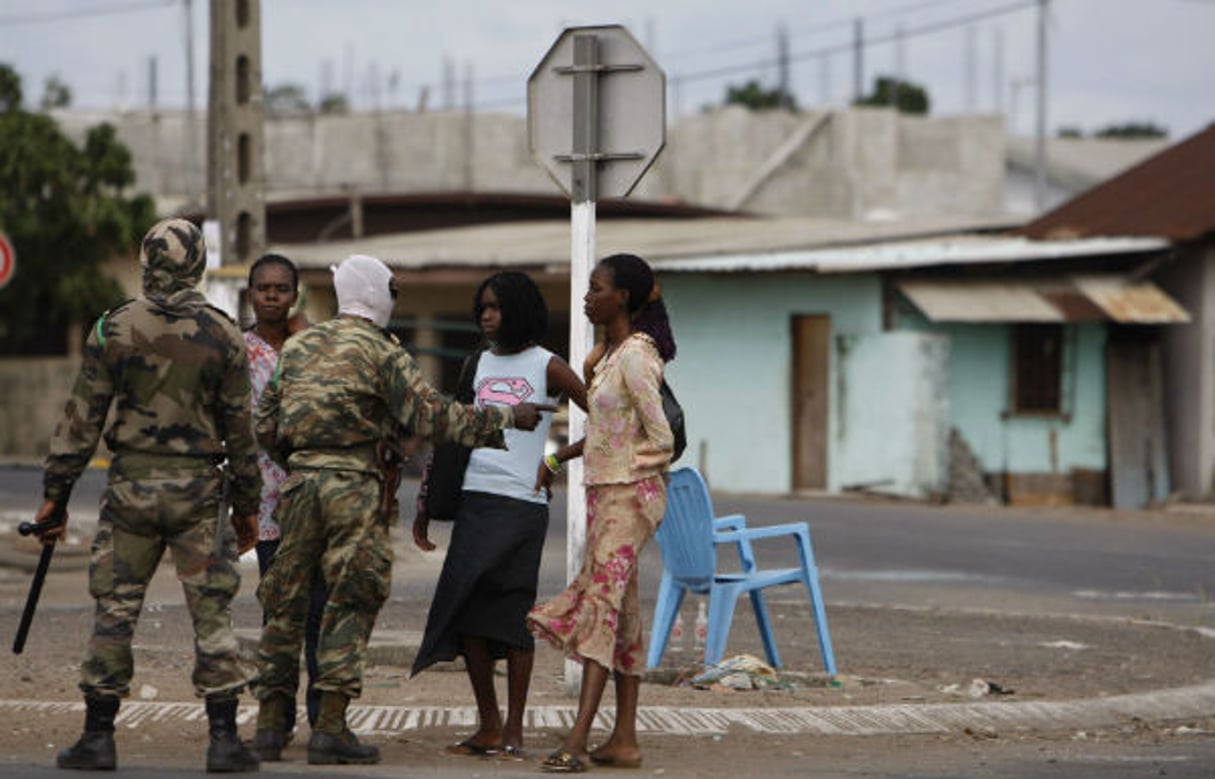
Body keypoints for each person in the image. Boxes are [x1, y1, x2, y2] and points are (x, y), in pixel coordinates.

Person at [251, 254, 554, 766]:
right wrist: (508, 416)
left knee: (284, 605)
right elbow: (431, 416)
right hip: (355, 488)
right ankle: (329, 728)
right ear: (377, 294)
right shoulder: (381, 350)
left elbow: (265, 424)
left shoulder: (300, 345)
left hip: (298, 488)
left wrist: (303, 462)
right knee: (350, 600)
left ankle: (267, 728)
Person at [32, 218, 263, 773]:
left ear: (147, 261)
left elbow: (81, 421)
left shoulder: (113, 327)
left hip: (131, 487)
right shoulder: (223, 333)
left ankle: (97, 736)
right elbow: (241, 429)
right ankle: (225, 740)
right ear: (198, 264)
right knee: (212, 610)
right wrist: (249, 505)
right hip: (200, 491)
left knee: (115, 606)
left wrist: (54, 498)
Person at [410, 271, 587, 759]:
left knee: (511, 616)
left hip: (521, 507)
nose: (486, 316)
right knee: (466, 616)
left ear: (520, 310)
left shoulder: (548, 365)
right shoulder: (474, 364)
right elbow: (450, 437)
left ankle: (514, 731)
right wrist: (426, 507)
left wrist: (555, 460)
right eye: (481, 308)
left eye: (495, 307)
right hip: (475, 502)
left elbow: (607, 418)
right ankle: (488, 726)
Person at [529, 252, 676, 773]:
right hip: (605, 494)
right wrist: (559, 457)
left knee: (599, 609)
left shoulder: (637, 356)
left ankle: (577, 738)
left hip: (628, 497)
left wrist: (626, 467)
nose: (587, 297)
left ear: (624, 298)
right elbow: (608, 433)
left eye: (596, 289)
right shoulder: (609, 356)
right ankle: (624, 741)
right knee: (625, 617)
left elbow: (662, 439)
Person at [242, 253, 326, 749]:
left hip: (318, 504)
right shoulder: (237, 351)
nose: (272, 296)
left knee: (321, 615)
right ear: (250, 293)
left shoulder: (314, 348)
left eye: (281, 288)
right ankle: (274, 724)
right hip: (267, 505)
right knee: (278, 618)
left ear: (295, 294)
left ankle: (324, 723)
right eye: (263, 288)